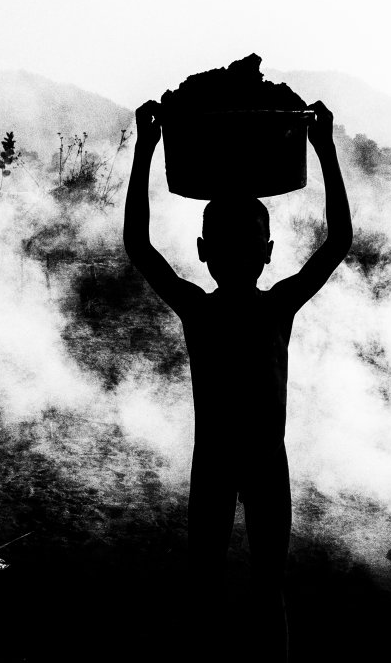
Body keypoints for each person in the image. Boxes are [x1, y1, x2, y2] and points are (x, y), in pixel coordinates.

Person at [123, 99, 352, 660]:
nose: (238, 250)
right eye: (229, 241)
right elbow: (337, 242)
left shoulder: (235, 308)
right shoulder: (246, 308)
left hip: (252, 465)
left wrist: (324, 148)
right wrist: (324, 150)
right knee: (223, 585)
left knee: (259, 586)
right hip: (228, 464)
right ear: (205, 252)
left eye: (245, 240)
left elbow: (140, 246)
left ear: (267, 251)